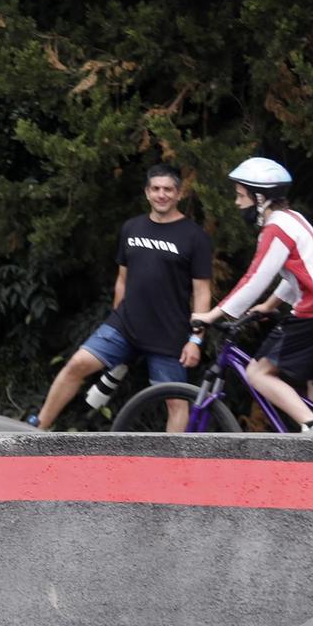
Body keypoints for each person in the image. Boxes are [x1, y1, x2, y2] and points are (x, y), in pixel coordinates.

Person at [30, 163, 213, 432]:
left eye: (168, 190)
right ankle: (36, 427)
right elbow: (122, 279)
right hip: (124, 326)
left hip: (168, 333)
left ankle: (173, 466)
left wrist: (196, 339)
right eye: (156, 189)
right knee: (76, 365)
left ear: (179, 194)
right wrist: (115, 318)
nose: (161, 195)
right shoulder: (132, 228)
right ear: (147, 192)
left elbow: (202, 292)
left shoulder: (194, 237)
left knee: (176, 402)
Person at [192, 157, 313, 433]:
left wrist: (212, 315)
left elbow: (254, 280)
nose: (236, 203)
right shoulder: (294, 219)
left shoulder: (276, 229)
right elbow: (298, 275)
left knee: (258, 373)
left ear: (259, 197)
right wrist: (269, 305)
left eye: (240, 196)